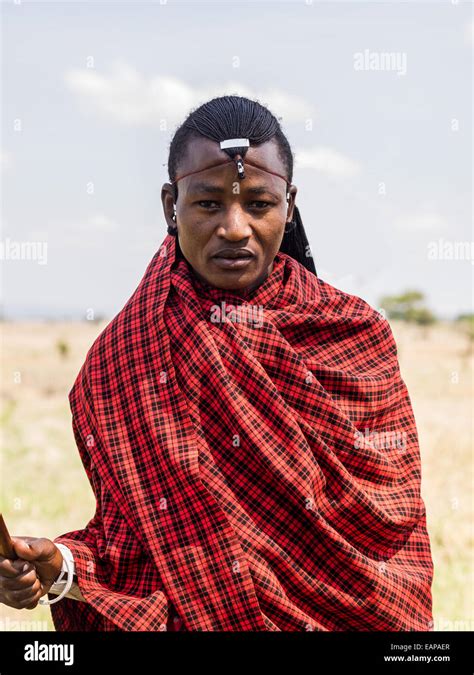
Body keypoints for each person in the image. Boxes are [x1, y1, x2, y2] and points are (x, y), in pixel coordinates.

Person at [0, 95, 434, 631]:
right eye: (207, 204)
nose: (233, 228)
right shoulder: (124, 359)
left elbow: (388, 528)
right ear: (170, 205)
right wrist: (61, 569)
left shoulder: (352, 334)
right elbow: (136, 547)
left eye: (259, 204)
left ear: (290, 205)